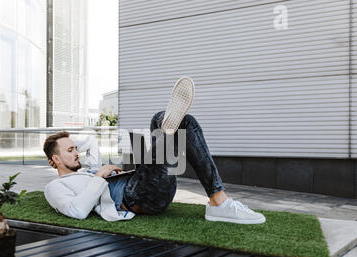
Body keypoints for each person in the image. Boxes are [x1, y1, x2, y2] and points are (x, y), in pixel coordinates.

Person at [44, 77, 266, 224]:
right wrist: (100, 176)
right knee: (180, 125)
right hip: (137, 197)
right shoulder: (55, 187)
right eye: (70, 150)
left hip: (146, 179)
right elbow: (76, 211)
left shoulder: (87, 167)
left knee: (174, 121)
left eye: (76, 149)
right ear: (55, 158)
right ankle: (219, 202)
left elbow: (91, 140)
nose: (77, 153)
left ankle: (166, 124)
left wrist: (67, 142)